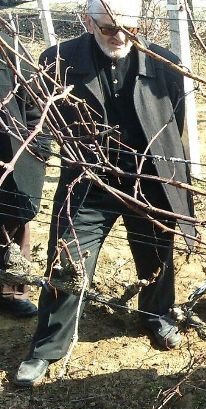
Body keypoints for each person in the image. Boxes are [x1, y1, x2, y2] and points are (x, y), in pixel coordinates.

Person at [15, 0, 194, 387]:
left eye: (128, 28)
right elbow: (41, 121)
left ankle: (157, 316)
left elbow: (173, 127)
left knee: (155, 253)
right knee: (66, 259)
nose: (120, 37)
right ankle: (47, 346)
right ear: (87, 22)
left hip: (147, 181)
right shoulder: (58, 60)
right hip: (88, 182)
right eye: (109, 28)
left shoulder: (163, 62)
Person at [0, 31, 47, 318]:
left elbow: (34, 105)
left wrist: (38, 151)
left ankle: (11, 293)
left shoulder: (9, 49)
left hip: (9, 160)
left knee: (13, 223)